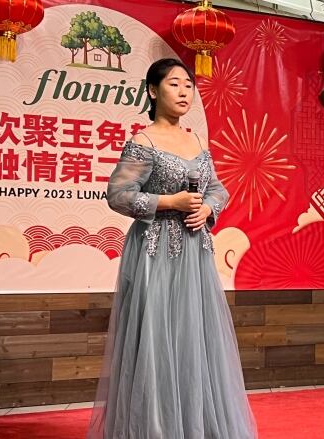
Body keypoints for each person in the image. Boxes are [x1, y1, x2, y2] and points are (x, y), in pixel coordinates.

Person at [87, 58, 257, 438]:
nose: (184, 92)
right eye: (174, 84)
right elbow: (117, 195)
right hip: (154, 251)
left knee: (194, 337)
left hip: (196, 251)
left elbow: (217, 188)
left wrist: (209, 207)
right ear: (152, 91)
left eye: (189, 85)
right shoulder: (143, 142)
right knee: (156, 337)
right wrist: (170, 203)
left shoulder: (197, 140)